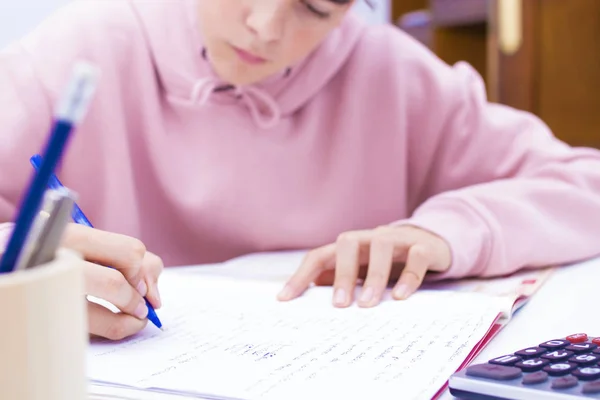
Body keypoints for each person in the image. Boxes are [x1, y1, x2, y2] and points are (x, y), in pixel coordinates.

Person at [2, 0, 600, 341]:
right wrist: (22, 276)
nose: (265, 26)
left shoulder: (391, 77)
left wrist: (447, 231)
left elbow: (583, 182)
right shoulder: (73, 55)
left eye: (314, 6)